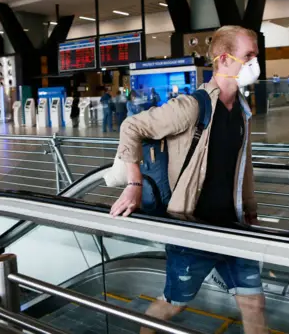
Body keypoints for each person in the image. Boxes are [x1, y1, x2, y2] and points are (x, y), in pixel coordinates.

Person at [110, 25, 267, 334]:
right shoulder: (192, 106)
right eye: (248, 56)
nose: (254, 64)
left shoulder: (243, 111)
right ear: (223, 60)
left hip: (233, 227)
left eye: (256, 56)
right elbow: (131, 127)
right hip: (193, 229)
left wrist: (249, 206)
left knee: (254, 304)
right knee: (172, 305)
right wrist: (134, 184)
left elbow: (242, 165)